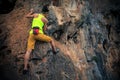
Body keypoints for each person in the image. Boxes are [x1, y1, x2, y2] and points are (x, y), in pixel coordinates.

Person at [23, 5, 58, 74]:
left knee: (28, 51)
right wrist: (45, 26)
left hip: (32, 33)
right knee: (51, 40)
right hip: (38, 34)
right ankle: (54, 51)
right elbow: (44, 30)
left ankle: (25, 68)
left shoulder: (36, 14)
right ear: (46, 13)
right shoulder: (45, 19)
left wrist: (31, 12)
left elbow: (27, 16)